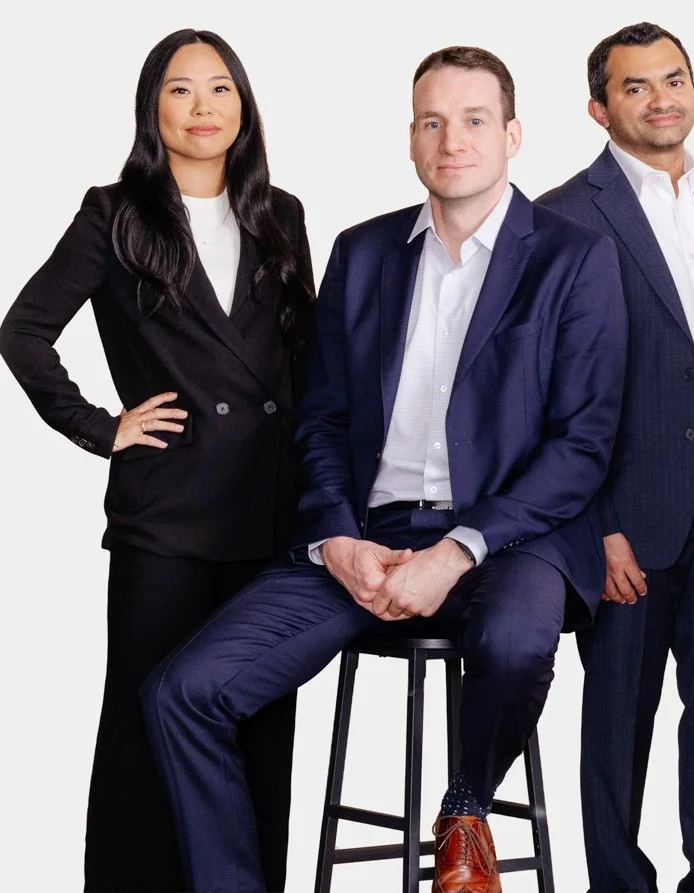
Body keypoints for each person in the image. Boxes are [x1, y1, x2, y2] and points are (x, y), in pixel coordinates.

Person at [142, 46, 627, 893]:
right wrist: (335, 536)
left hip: (511, 537)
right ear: (410, 140)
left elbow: (580, 446)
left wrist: (459, 550)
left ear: (512, 135)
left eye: (474, 120)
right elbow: (322, 417)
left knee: (515, 641)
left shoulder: (573, 258)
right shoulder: (363, 252)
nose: (452, 140)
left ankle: (466, 810)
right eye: (432, 122)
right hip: (370, 538)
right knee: (183, 691)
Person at [0, 28, 312, 891]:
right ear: (152, 106)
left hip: (270, 510)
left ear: (243, 106)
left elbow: (305, 359)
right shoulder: (115, 211)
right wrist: (104, 427)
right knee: (143, 723)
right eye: (180, 89)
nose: (202, 106)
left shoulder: (279, 213)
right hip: (166, 516)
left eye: (220, 88)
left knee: (258, 725)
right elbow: (22, 333)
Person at [539, 22, 694, 893]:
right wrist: (593, 525)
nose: (661, 97)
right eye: (636, 86)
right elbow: (549, 393)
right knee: (618, 713)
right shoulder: (562, 214)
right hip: (627, 508)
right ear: (600, 107)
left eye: (674, 78)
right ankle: (616, 882)